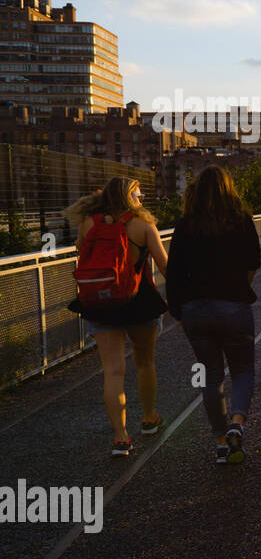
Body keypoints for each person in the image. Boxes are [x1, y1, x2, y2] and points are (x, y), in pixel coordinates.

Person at [66, 177, 169, 457]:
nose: (142, 198)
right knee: (145, 362)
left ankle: (121, 438)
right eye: (139, 194)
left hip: (99, 303)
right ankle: (149, 418)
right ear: (129, 196)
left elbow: (80, 252)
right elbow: (164, 265)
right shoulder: (143, 225)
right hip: (139, 302)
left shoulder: (89, 223)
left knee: (112, 371)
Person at [166, 165, 261, 464]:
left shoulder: (185, 225)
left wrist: (179, 310)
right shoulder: (241, 220)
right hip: (233, 306)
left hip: (195, 309)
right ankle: (237, 423)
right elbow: (253, 263)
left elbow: (173, 273)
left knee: (210, 376)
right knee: (243, 369)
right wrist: (236, 288)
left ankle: (221, 442)